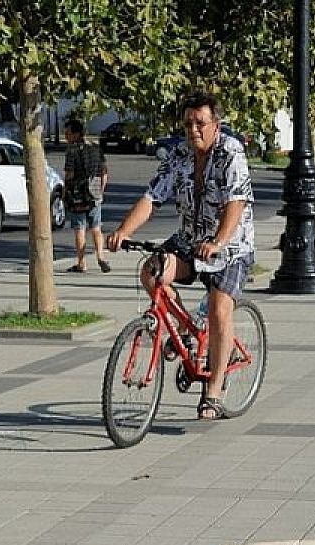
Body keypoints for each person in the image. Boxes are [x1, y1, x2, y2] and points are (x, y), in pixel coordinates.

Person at [107, 91, 255, 421]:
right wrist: (123, 231)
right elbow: (152, 197)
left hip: (230, 247)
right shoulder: (178, 155)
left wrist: (218, 241)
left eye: (200, 123)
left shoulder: (231, 153)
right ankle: (185, 331)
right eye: (188, 123)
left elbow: (236, 202)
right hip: (190, 240)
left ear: (216, 124)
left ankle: (214, 390)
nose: (193, 130)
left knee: (219, 309)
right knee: (151, 272)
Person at [63, 119, 110, 273]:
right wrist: (101, 190)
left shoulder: (72, 150)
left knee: (79, 229)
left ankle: (82, 262)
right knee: (96, 228)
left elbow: (69, 174)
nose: (66, 136)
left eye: (68, 133)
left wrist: (65, 192)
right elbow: (103, 170)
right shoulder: (96, 147)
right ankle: (101, 257)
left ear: (76, 133)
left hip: (78, 195)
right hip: (95, 193)